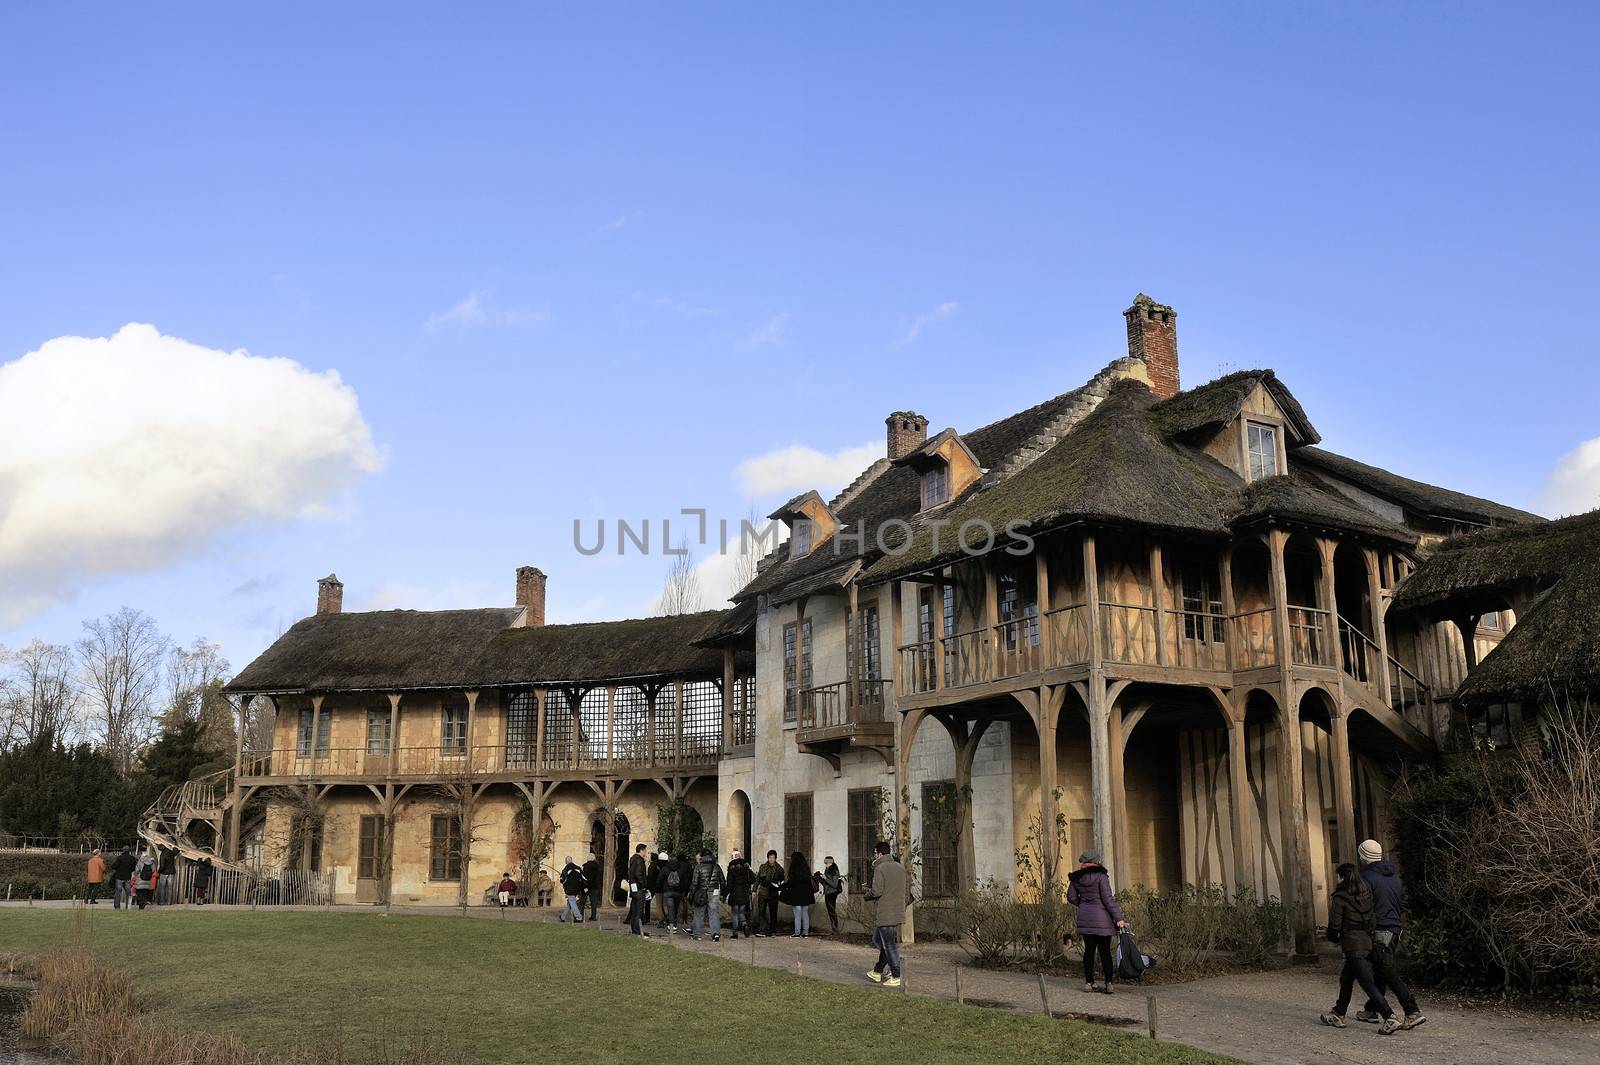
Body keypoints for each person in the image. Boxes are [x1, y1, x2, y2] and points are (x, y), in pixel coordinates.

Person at [1321, 862, 1402, 1035]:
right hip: (1367, 942)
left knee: (1367, 984)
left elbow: (1334, 925)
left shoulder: (1340, 898)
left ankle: (1390, 1016)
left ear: (1342, 877)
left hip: (1352, 946)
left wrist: (1333, 937)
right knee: (1346, 979)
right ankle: (1338, 1013)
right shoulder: (1365, 894)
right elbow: (1372, 919)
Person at [1356, 840, 1426, 1030]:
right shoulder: (1394, 877)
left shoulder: (1365, 878)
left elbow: (1363, 907)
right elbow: (1403, 901)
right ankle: (1372, 1009)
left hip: (1380, 929)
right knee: (1380, 968)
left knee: (1385, 969)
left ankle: (1412, 1010)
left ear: (1363, 857)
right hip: (1395, 928)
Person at [1066, 848, 1125, 994]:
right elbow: (1108, 899)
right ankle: (1109, 983)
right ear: (1096, 861)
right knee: (1105, 952)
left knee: (1089, 951)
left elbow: (1071, 897)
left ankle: (1089, 983)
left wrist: (1084, 904)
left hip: (1085, 917)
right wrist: (1119, 918)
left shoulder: (1076, 877)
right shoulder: (1101, 876)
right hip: (1102, 919)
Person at [863, 841, 905, 987]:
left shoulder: (880, 868)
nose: (874, 856)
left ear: (880, 853)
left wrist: (867, 894)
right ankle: (877, 970)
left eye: (874, 853)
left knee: (889, 945)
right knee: (878, 940)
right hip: (897, 910)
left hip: (886, 912)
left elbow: (877, 891)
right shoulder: (900, 867)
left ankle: (896, 974)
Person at [688, 848, 726, 942]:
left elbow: (694, 883)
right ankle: (715, 933)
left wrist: (691, 895)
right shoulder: (717, 866)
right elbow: (722, 881)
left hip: (701, 892)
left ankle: (697, 934)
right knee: (714, 913)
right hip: (714, 891)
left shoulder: (699, 867)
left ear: (702, 856)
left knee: (699, 913)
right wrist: (723, 894)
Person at [782, 851, 816, 938]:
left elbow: (790, 882)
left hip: (796, 895)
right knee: (805, 913)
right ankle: (805, 933)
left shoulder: (793, 869)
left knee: (797, 914)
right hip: (806, 895)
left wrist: (782, 886)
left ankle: (797, 933)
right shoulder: (806, 868)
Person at [756, 849, 785, 937]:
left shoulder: (779, 869)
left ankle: (773, 930)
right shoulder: (763, 867)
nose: (771, 859)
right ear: (768, 858)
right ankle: (762, 930)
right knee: (761, 911)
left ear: (775, 858)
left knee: (773, 912)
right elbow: (758, 879)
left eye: (773, 858)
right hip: (763, 891)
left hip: (773, 893)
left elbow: (782, 881)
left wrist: (778, 887)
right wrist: (754, 890)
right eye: (770, 857)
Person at [725, 850, 753, 940]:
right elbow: (752, 879)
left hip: (734, 893)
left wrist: (724, 894)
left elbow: (729, 883)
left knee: (735, 913)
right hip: (744, 893)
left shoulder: (731, 867)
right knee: (741, 911)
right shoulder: (746, 866)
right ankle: (744, 925)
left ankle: (735, 933)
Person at [662, 850, 689, 932]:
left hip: (668, 891)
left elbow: (660, 880)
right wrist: (685, 890)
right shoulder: (681, 868)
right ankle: (674, 924)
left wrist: (659, 888)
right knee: (675, 908)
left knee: (670, 909)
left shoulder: (665, 868)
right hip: (678, 892)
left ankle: (672, 925)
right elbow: (685, 880)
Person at [627, 843, 651, 936]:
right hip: (639, 888)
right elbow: (638, 874)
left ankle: (635, 929)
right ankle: (638, 930)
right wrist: (643, 885)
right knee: (639, 911)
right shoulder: (639, 860)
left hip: (634, 888)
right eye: (645, 850)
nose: (645, 853)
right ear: (641, 850)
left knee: (634, 909)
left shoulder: (633, 859)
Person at [817, 856, 844, 934]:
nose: (826, 865)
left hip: (832, 893)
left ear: (831, 862)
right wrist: (820, 878)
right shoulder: (828, 869)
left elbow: (834, 885)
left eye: (827, 863)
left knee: (832, 911)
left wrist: (825, 878)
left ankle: (835, 929)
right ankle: (834, 929)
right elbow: (827, 883)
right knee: (831, 911)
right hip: (828, 892)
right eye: (825, 863)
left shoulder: (834, 871)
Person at [558, 856, 586, 923]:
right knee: (570, 903)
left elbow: (562, 879)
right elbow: (584, 878)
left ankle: (579, 917)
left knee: (572, 902)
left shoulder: (566, 868)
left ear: (566, 862)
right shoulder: (578, 868)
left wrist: (562, 881)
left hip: (570, 889)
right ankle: (563, 917)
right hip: (577, 889)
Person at [646, 850, 666, 925]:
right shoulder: (660, 865)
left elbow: (650, 878)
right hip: (660, 886)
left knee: (648, 902)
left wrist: (648, 887)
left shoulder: (652, 866)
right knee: (662, 904)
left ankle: (647, 917)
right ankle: (665, 917)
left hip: (653, 887)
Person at [581, 853, 602, 921]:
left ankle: (580, 915)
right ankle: (593, 916)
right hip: (595, 886)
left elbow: (584, 877)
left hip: (586, 886)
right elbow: (599, 877)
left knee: (582, 901)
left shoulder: (585, 867)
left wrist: (584, 886)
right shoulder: (597, 867)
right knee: (594, 902)